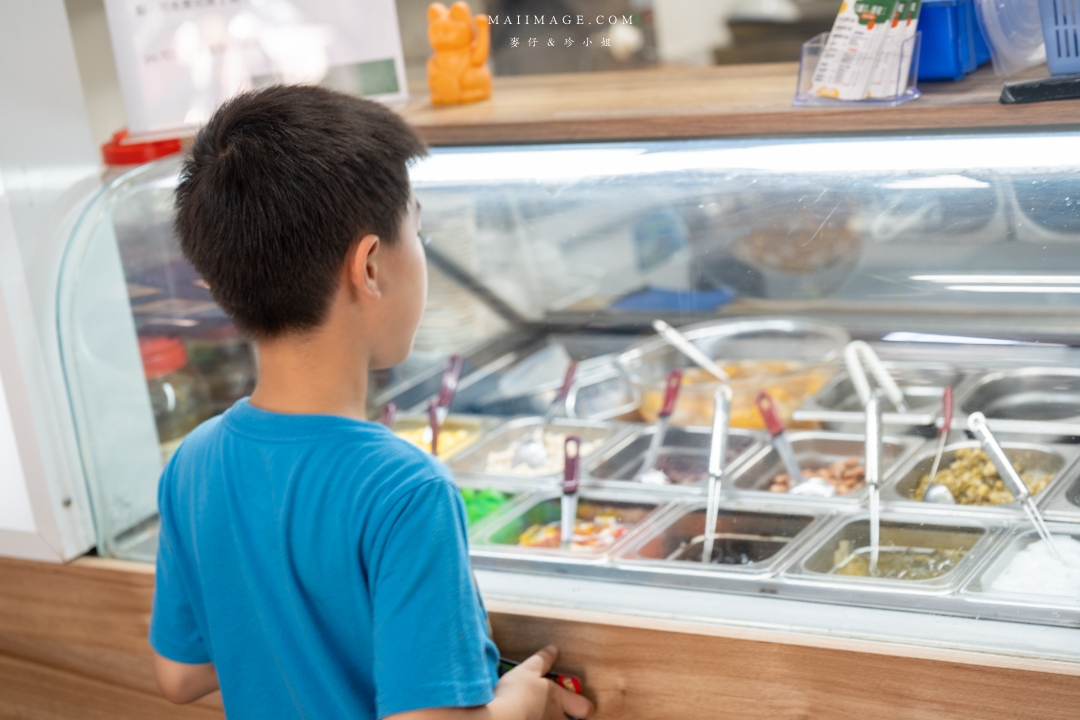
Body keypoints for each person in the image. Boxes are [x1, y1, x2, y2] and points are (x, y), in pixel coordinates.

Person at [149, 84, 593, 720]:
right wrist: (516, 704)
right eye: (418, 230)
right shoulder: (405, 491)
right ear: (372, 267)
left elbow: (180, 674)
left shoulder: (193, 463)